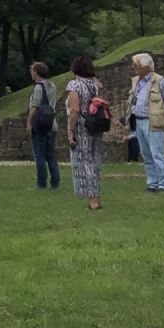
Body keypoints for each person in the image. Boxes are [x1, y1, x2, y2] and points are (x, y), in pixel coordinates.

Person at [129, 52, 164, 193]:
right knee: (146, 154)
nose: (133, 67)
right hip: (139, 120)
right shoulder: (136, 81)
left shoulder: (161, 81)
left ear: (146, 66)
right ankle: (152, 183)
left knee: (157, 154)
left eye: (136, 65)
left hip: (154, 121)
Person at [66, 54, 104, 212]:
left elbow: (75, 109)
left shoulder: (74, 85)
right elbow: (100, 86)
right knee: (95, 161)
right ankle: (97, 197)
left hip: (82, 125)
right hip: (95, 125)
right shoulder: (94, 84)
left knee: (85, 162)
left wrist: (70, 130)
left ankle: (93, 201)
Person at [25, 62, 60, 191]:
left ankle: (41, 183)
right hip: (51, 123)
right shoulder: (52, 86)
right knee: (50, 154)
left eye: (32, 71)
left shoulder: (38, 88)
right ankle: (55, 181)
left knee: (39, 154)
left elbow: (34, 107)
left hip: (40, 125)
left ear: (36, 72)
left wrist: (29, 123)